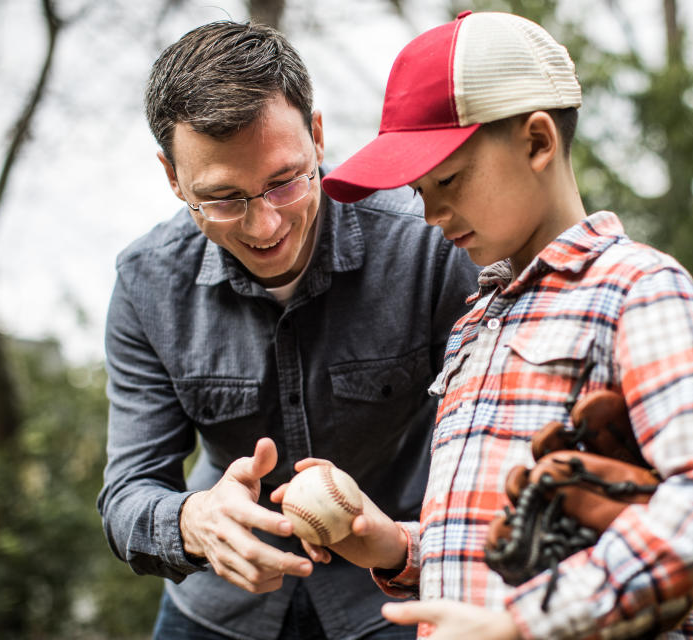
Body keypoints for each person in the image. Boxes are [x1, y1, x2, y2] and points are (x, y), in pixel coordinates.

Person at [305, 11, 693, 639]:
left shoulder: (635, 289)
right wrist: (396, 545)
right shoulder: (477, 319)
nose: (432, 213)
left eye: (448, 179)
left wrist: (523, 624)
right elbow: (493, 544)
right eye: (420, 191)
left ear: (537, 142)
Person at [96, 20, 480, 640]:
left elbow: (492, 454)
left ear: (318, 136)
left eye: (284, 181)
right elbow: (128, 493)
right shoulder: (145, 284)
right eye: (223, 199)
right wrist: (194, 522)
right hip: (216, 609)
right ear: (173, 177)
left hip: (390, 598)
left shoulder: (427, 244)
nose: (264, 224)